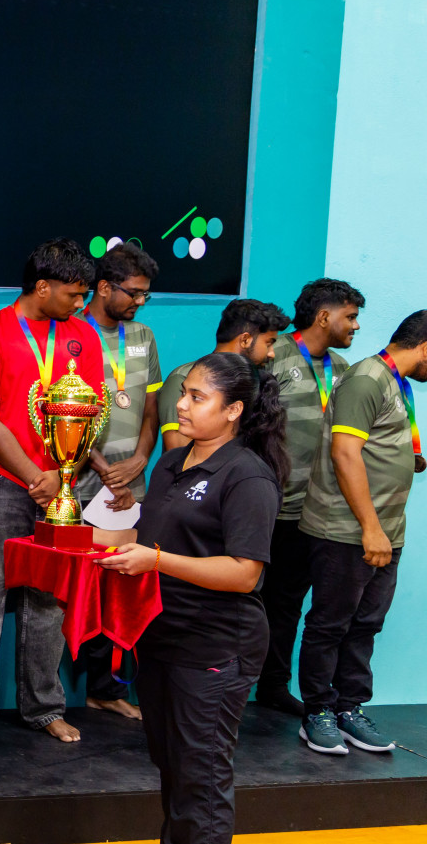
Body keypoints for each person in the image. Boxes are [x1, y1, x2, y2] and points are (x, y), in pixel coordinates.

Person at [96, 352, 284, 844]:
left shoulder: (248, 476)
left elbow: (243, 572)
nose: (181, 404)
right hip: (164, 637)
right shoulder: (175, 462)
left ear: (232, 411)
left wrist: (157, 564)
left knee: (202, 782)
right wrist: (81, 538)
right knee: (176, 771)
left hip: (216, 644)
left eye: (198, 397)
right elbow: (151, 540)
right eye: (184, 393)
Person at [0, 238, 105, 746]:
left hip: (63, 485)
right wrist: (38, 478)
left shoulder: (85, 336)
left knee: (49, 602)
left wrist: (62, 476)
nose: (81, 304)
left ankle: (44, 707)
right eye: (74, 294)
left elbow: (92, 413)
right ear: (42, 287)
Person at [294, 311, 427, 754]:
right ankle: (317, 712)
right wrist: (371, 529)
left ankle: (349, 708)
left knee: (366, 623)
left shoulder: (395, 382)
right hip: (346, 531)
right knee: (331, 623)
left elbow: (377, 442)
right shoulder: (366, 379)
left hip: (386, 532)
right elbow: (345, 454)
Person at [256, 278, 365, 716]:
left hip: (312, 513)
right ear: (325, 316)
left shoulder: (343, 368)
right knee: (253, 602)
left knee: (288, 605)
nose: (355, 326)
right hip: (268, 506)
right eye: (351, 316)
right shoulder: (272, 353)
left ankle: (273, 686)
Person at [72, 244, 162, 721]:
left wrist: (141, 460)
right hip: (84, 479)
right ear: (104, 287)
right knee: (77, 584)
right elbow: (60, 415)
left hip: (132, 482)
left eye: (146, 296)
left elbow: (150, 408)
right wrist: (106, 470)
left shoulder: (143, 336)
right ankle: (62, 694)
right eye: (134, 294)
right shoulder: (70, 332)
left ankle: (107, 689)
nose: (139, 303)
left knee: (122, 583)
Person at [160, 298, 291, 451]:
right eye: (268, 343)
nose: (271, 353)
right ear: (246, 340)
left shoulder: (255, 384)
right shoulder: (183, 378)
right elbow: (178, 451)